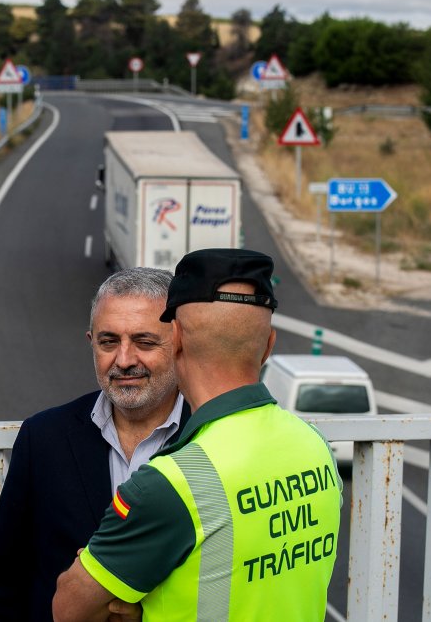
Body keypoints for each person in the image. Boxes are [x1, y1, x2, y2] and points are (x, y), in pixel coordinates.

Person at [53, 249, 343, 621]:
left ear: (175, 342)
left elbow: (68, 609)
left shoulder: (170, 482)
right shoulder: (314, 445)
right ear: (268, 346)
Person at [0, 267, 186, 621]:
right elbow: (4, 579)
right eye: (108, 342)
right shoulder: (43, 438)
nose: (124, 360)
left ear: (181, 342)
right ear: (91, 341)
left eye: (144, 342)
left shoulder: (213, 438)